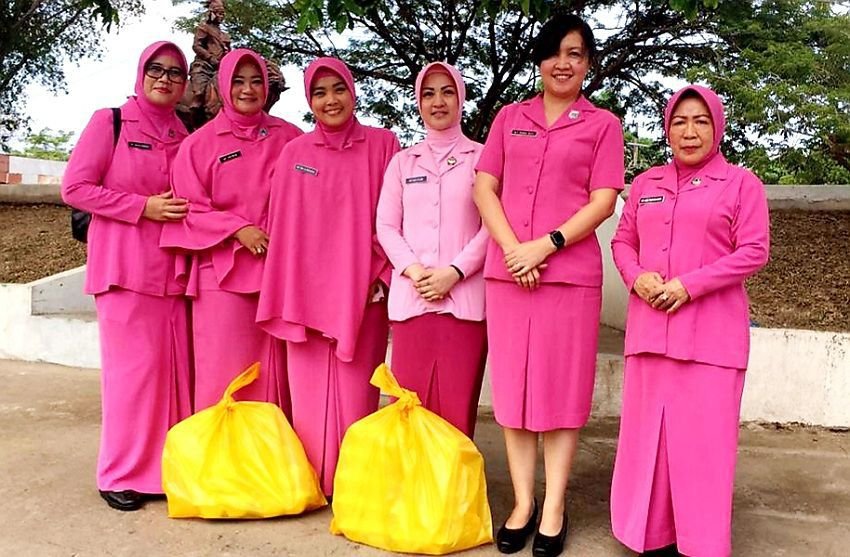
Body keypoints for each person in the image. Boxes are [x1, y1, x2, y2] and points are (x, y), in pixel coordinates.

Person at [473, 14, 625, 557]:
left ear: (588, 64)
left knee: (560, 393)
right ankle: (523, 503)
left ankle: (555, 506)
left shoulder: (603, 125)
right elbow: (485, 186)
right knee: (513, 392)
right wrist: (515, 249)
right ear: (539, 60)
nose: (564, 63)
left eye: (576, 54)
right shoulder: (509, 117)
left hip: (569, 278)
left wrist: (546, 245)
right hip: (508, 275)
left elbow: (603, 200)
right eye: (555, 52)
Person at [610, 85, 770, 557]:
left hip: (710, 340)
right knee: (649, 442)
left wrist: (690, 285)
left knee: (703, 448)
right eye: (679, 122)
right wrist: (636, 277)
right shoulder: (646, 184)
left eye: (701, 121)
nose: (690, 131)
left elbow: (754, 250)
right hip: (649, 334)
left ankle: (701, 542)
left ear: (717, 127)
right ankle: (650, 535)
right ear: (667, 129)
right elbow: (623, 242)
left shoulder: (741, 184)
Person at [256, 57, 400, 497]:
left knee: (357, 395)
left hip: (363, 290)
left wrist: (379, 274)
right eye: (319, 93)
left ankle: (353, 487)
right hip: (306, 293)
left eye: (338, 89)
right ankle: (314, 484)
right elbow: (283, 225)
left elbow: (394, 216)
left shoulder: (383, 145)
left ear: (353, 92)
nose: (330, 100)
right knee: (308, 397)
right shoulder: (295, 153)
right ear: (309, 100)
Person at [61, 41, 192, 511]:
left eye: (175, 72)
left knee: (170, 375)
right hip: (124, 271)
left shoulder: (183, 133)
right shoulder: (111, 121)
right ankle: (119, 472)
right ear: (141, 72)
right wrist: (142, 207)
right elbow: (75, 188)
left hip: (174, 274)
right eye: (156, 69)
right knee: (131, 378)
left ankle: (163, 470)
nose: (164, 78)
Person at [161, 48, 301, 412]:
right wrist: (239, 229)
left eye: (256, 81)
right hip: (220, 276)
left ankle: (273, 450)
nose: (248, 89)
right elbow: (189, 206)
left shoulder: (290, 137)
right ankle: (222, 451)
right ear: (223, 85)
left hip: (280, 275)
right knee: (223, 378)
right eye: (238, 81)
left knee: (275, 379)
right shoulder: (198, 145)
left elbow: (311, 197)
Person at [376, 61, 488, 438]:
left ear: (461, 98)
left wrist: (454, 273)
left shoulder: (483, 159)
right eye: (428, 93)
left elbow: (493, 227)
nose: (438, 102)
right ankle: (411, 479)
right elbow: (386, 226)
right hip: (413, 301)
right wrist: (415, 271)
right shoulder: (402, 163)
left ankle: (455, 478)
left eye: (447, 92)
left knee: (456, 408)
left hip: (464, 304)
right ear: (418, 101)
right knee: (410, 408)